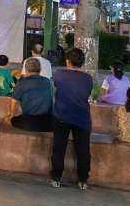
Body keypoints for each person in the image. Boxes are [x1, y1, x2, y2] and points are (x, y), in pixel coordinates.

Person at [50, 47, 93, 190]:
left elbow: (56, 86)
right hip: (82, 118)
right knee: (83, 150)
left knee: (59, 148)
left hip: (61, 116)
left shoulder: (59, 74)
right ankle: (83, 180)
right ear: (82, 62)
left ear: (67, 61)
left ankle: (56, 178)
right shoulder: (88, 78)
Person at [10, 57, 53, 132]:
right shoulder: (47, 81)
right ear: (40, 70)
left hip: (30, 123)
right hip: (48, 123)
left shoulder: (22, 82)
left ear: (26, 70)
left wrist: (11, 115)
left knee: (12, 120)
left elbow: (13, 101)